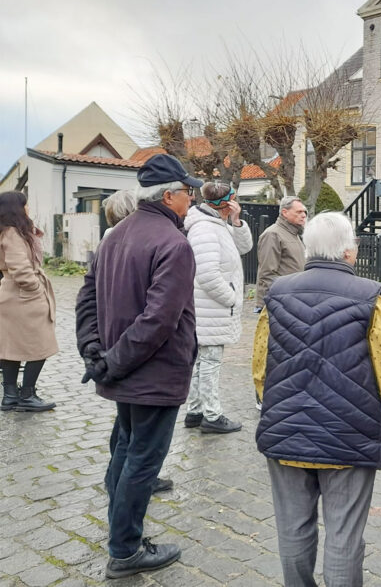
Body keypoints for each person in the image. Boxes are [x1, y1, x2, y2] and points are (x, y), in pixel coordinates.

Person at [252, 212, 381, 587]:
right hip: (349, 434)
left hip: (286, 429)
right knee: (344, 533)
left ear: (308, 248)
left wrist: (274, 405)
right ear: (349, 251)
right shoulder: (369, 297)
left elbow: (260, 367)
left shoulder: (279, 293)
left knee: (292, 528)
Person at [75, 154, 202, 579]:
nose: (192, 198)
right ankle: (125, 550)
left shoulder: (117, 234)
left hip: (125, 371)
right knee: (141, 459)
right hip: (152, 373)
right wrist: (107, 358)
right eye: (188, 192)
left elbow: (87, 299)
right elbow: (159, 320)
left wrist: (97, 353)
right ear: (169, 196)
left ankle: (120, 530)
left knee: (126, 448)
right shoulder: (173, 243)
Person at [101, 189, 174, 494]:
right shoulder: (136, 242)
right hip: (136, 352)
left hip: (118, 347)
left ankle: (116, 486)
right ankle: (125, 533)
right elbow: (154, 312)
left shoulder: (112, 240)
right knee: (136, 444)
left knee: (126, 433)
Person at [183, 181, 253, 433]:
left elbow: (244, 247)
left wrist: (236, 221)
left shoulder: (217, 224)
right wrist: (231, 298)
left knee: (202, 361)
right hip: (210, 308)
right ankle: (212, 415)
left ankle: (195, 410)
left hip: (211, 308)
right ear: (226, 202)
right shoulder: (205, 230)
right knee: (209, 362)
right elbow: (207, 274)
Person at [0, 191, 58, 412]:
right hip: (23, 297)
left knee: (11, 347)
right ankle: (27, 394)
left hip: (13, 296)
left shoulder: (9, 232)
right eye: (25, 205)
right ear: (16, 207)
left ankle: (10, 395)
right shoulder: (13, 234)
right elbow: (20, 269)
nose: (28, 208)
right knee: (40, 345)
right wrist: (35, 288)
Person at [254, 195, 306, 311]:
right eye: (299, 212)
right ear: (285, 212)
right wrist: (272, 303)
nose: (303, 215)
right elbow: (267, 273)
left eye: (304, 212)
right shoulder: (273, 235)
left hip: (294, 299)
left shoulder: (294, 234)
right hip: (280, 302)